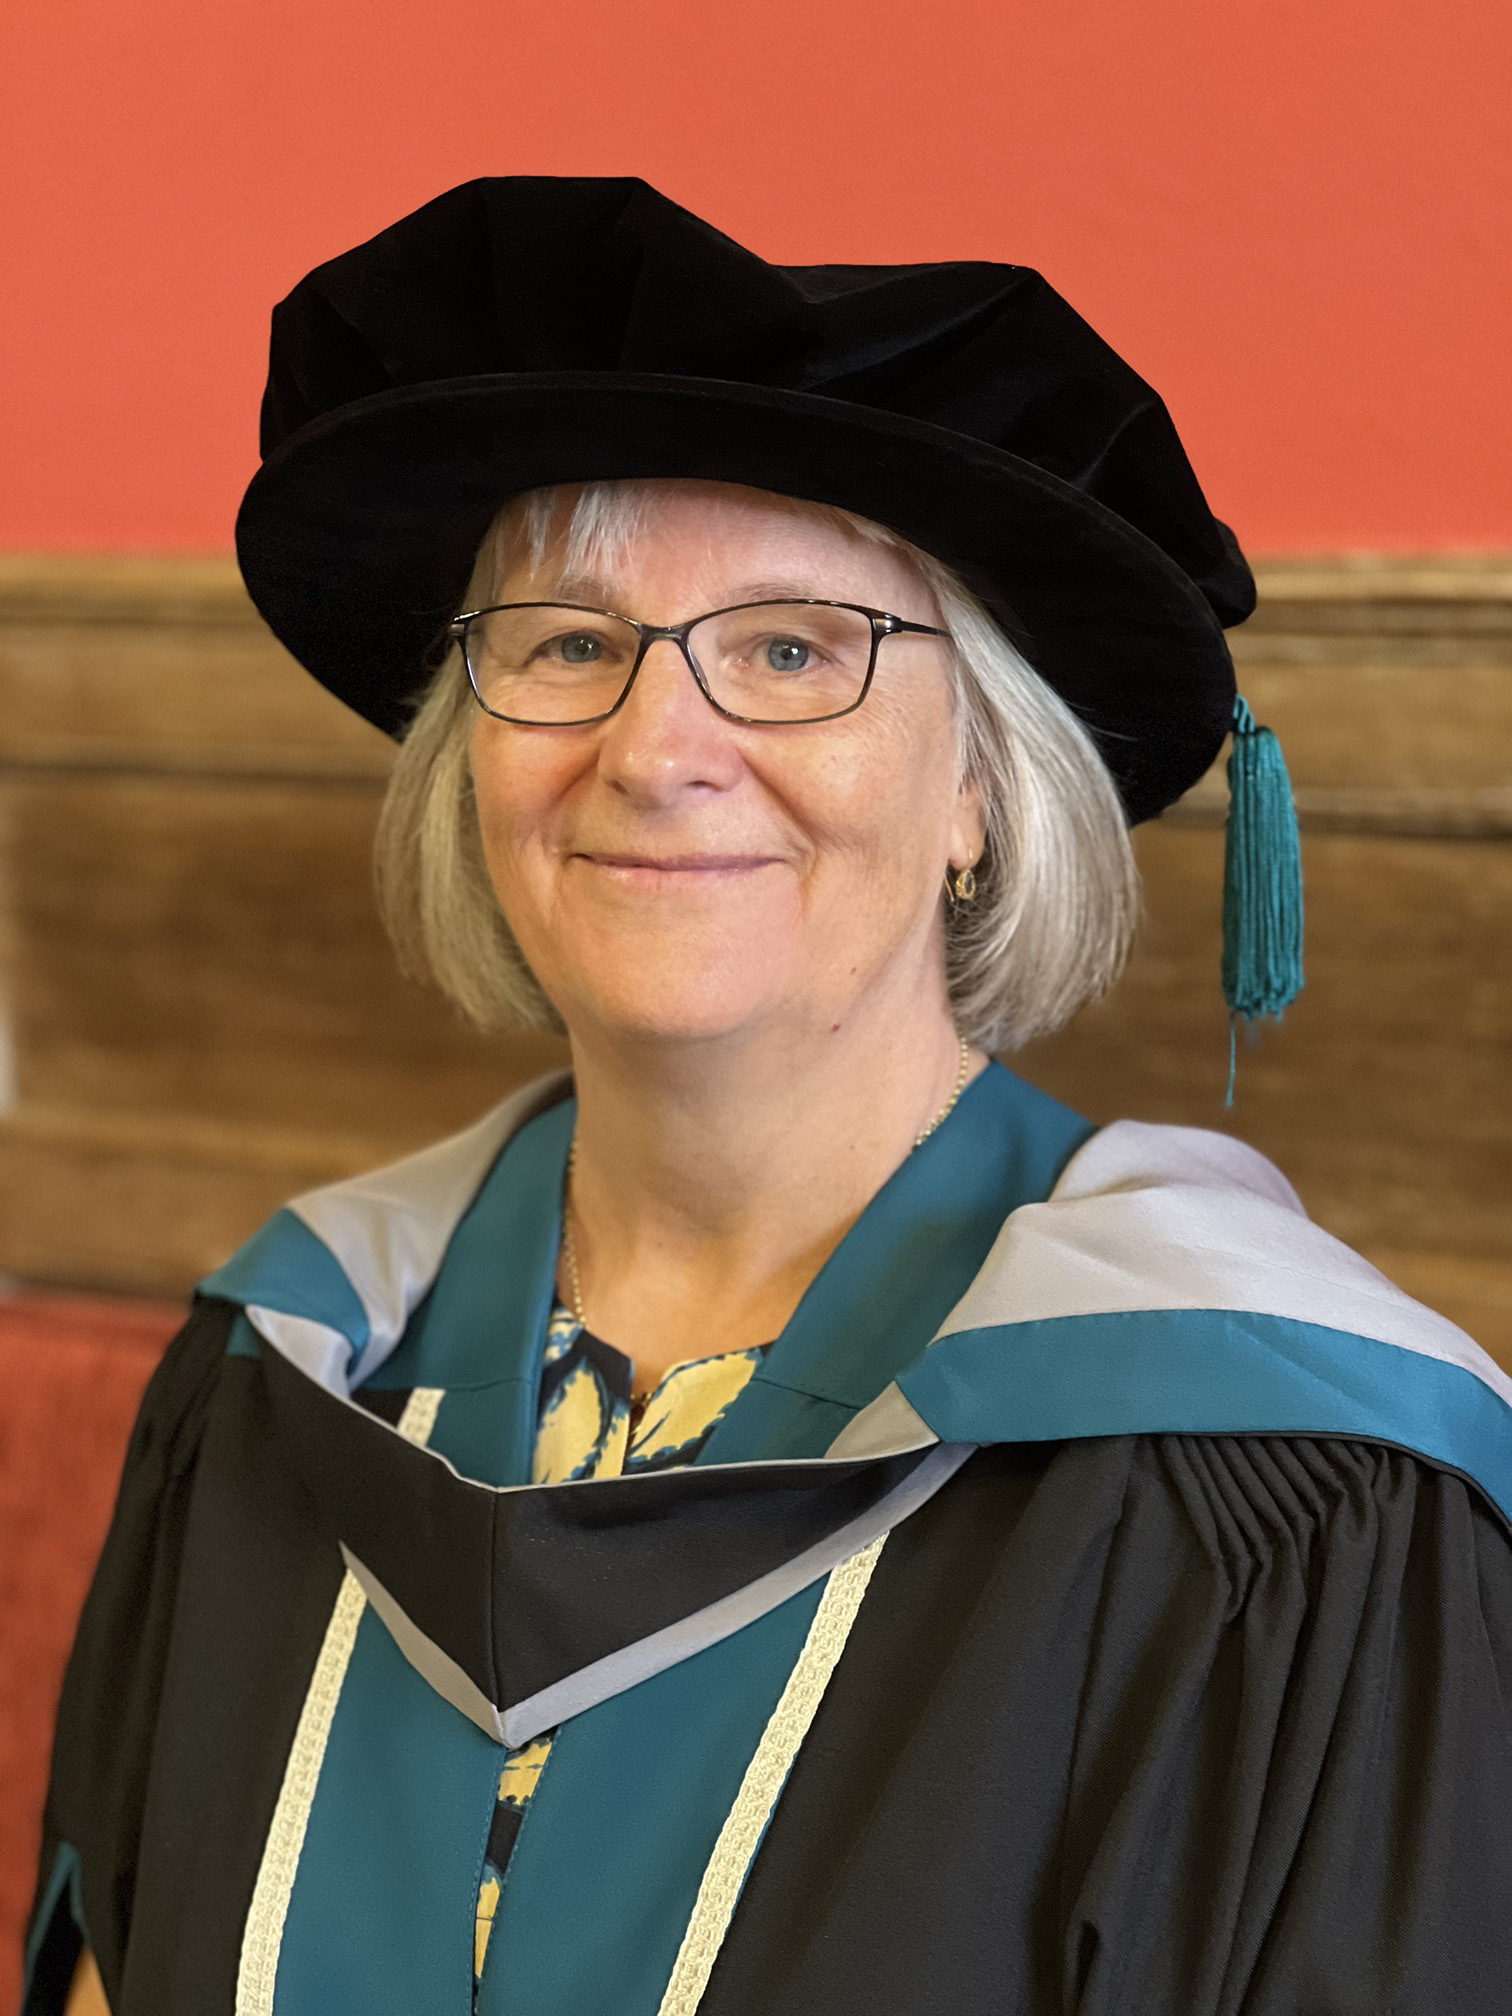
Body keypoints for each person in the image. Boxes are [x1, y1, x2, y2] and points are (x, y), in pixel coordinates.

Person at [28, 178, 1512, 2016]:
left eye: (796, 650)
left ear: (983, 787)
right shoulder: (291, 1377)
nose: (657, 750)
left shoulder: (1278, 1494)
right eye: (567, 642)